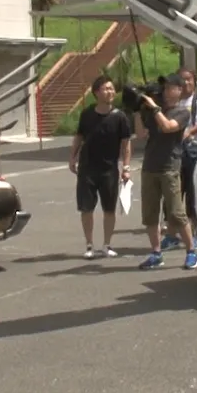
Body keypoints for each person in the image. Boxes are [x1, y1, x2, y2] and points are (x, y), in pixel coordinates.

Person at [134, 73, 197, 271]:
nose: (166, 91)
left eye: (171, 87)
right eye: (165, 88)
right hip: (150, 166)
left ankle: (191, 252)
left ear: (180, 91)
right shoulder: (155, 111)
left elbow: (169, 127)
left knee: (177, 213)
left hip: (169, 167)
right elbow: (140, 134)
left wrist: (154, 109)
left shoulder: (182, 112)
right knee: (150, 214)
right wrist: (138, 110)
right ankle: (156, 253)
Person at [68, 75, 133, 259]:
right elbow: (79, 137)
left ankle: (107, 244)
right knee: (86, 208)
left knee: (109, 209)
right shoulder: (87, 114)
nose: (110, 92)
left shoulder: (120, 117)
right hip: (87, 168)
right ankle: (89, 245)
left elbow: (126, 144)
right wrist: (72, 158)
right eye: (105, 89)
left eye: (112, 88)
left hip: (109, 169)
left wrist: (126, 167)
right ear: (96, 92)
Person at [161, 68, 197, 252]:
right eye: (181, 80)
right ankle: (171, 236)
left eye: (189, 80)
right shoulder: (171, 103)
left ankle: (194, 234)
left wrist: (191, 131)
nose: (185, 83)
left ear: (195, 82)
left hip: (196, 154)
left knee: (193, 197)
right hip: (175, 155)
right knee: (172, 196)